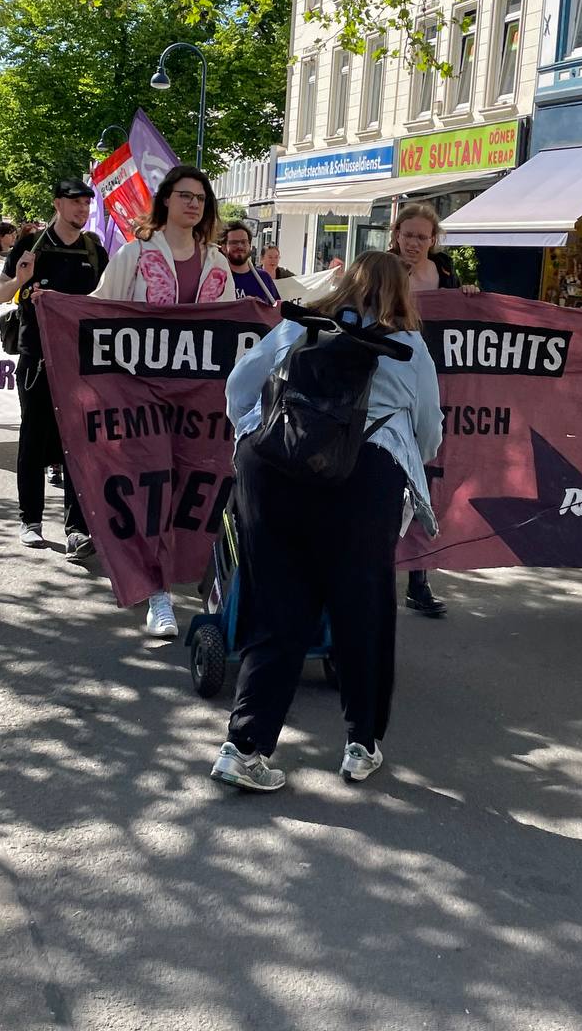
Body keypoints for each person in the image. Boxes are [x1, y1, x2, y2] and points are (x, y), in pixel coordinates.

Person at [209, 251, 444, 792]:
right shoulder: (409, 348)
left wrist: (259, 435)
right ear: (401, 293)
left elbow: (240, 387)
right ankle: (361, 745)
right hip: (362, 481)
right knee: (362, 612)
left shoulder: (298, 327)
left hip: (274, 472)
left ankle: (244, 748)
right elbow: (429, 432)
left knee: (278, 611)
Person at [92, 164, 235, 637]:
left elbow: (232, 325)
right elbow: (99, 311)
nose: (193, 204)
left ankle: (204, 584)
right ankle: (158, 594)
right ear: (166, 200)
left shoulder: (217, 262)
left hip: (200, 400)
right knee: (153, 487)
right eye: (185, 195)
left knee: (197, 488)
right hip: (142, 393)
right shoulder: (134, 254)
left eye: (201, 197)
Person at [0, 178, 109, 560]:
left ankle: (77, 530)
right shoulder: (31, 245)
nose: (82, 210)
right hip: (38, 359)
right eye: (75, 202)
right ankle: (30, 520)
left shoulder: (94, 250)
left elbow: (110, 300)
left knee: (81, 444)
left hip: (82, 360)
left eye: (86, 204)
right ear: (58, 203)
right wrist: (20, 279)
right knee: (33, 439)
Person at [389, 201, 479, 618]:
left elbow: (463, 320)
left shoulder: (445, 274)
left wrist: (467, 297)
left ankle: (419, 579)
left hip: (437, 385)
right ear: (396, 235)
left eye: (421, 237)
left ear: (433, 240)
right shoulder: (382, 269)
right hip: (392, 385)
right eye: (407, 235)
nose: (413, 243)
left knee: (427, 479)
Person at [220, 222, 280, 303]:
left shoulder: (264, 278)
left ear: (250, 246)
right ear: (224, 248)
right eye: (234, 242)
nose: (240, 246)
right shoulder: (217, 279)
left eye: (244, 242)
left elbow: (276, 308)